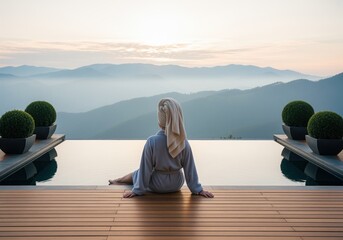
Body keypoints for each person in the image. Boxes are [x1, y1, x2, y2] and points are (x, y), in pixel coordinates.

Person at [109, 98, 214, 198]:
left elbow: (145, 171)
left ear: (160, 122)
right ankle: (118, 180)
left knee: (138, 172)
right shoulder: (183, 142)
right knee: (139, 172)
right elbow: (190, 170)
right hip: (176, 184)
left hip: (156, 185)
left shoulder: (152, 142)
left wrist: (137, 190)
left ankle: (118, 180)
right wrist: (198, 189)